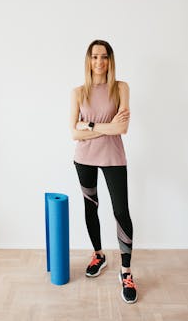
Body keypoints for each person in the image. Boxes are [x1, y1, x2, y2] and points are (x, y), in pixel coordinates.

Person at [70, 39, 138, 304]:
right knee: (91, 207)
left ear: (110, 60)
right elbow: (72, 133)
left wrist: (88, 125)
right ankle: (98, 254)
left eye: (104, 57)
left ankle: (126, 271)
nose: (99, 62)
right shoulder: (78, 92)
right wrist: (101, 126)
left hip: (113, 157)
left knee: (121, 212)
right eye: (94, 57)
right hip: (83, 158)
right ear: (88, 60)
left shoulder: (121, 87)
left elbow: (122, 129)